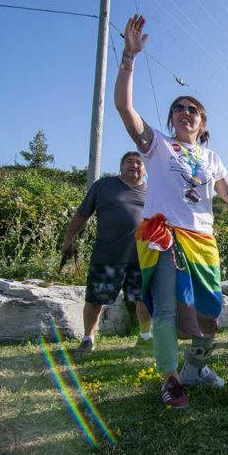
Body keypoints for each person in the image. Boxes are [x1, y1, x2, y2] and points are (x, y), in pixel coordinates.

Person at [115, 14, 228, 409]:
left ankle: (194, 369)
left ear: (202, 122)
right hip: (166, 237)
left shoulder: (213, 157)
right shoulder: (158, 146)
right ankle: (170, 380)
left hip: (203, 242)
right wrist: (129, 58)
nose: (185, 112)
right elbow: (123, 107)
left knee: (210, 312)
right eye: (179, 108)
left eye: (193, 110)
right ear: (172, 119)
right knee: (165, 309)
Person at [63, 151, 152, 355]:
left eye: (140, 162)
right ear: (120, 167)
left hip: (142, 257)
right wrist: (68, 240)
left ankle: (146, 337)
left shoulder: (152, 191)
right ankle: (88, 340)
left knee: (143, 299)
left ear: (145, 170)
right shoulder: (103, 186)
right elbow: (82, 214)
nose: (135, 165)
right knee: (95, 299)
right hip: (107, 255)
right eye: (129, 161)